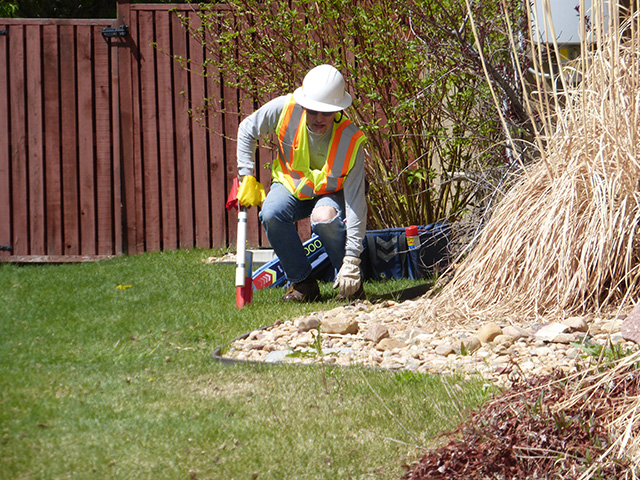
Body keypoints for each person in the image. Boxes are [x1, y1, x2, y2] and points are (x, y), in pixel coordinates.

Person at [236, 64, 367, 302]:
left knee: (324, 218)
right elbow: (247, 129)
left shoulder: (352, 141)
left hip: (329, 195)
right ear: (304, 103)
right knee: (271, 212)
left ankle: (350, 285)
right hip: (290, 186)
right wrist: (246, 175)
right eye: (313, 110)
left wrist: (352, 259)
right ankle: (304, 285)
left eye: (326, 113)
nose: (318, 119)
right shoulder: (285, 109)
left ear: (338, 110)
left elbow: (356, 205)